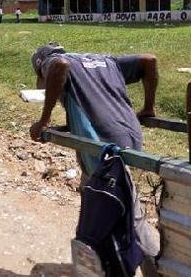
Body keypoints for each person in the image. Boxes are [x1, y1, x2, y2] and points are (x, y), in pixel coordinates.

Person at [30, 43, 160, 265]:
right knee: (97, 202)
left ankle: (155, 269)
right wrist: (148, 107)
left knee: (129, 215)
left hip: (105, 148)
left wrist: (44, 121)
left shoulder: (54, 62)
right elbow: (149, 60)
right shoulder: (106, 61)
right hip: (128, 136)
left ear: (40, 65)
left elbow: (59, 65)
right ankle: (98, 262)